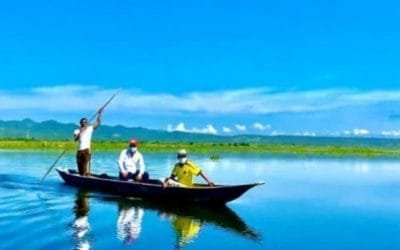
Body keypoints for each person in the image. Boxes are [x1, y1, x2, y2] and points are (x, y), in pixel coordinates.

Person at [73, 108, 103, 176]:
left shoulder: (90, 128)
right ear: (80, 123)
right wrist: (80, 132)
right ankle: (81, 177)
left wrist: (100, 113)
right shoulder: (76, 130)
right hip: (79, 151)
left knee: (86, 169)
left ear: (87, 123)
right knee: (80, 169)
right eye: (83, 122)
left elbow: (98, 123)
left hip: (86, 150)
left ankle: (86, 177)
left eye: (85, 122)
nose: (84, 123)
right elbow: (75, 139)